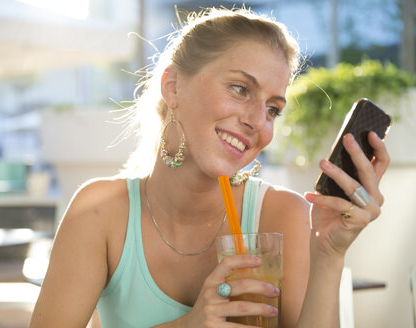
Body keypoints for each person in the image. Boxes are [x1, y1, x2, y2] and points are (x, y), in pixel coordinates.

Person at [30, 7, 389, 328]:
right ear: (172, 87)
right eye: (240, 88)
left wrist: (329, 253)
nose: (258, 123)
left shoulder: (282, 215)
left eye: (273, 109)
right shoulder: (99, 213)